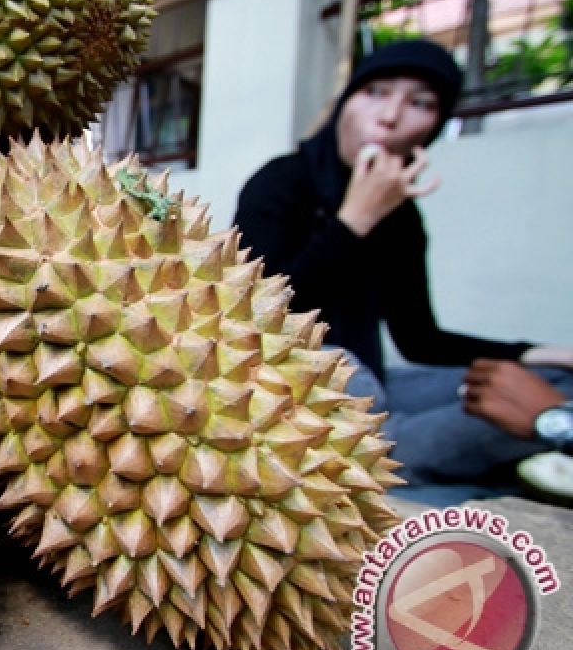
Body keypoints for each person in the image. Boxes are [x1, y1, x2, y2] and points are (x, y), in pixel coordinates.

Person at [232, 38, 573, 490]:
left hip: (376, 387)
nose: (391, 116)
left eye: (420, 103)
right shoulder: (279, 182)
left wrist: (541, 353)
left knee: (553, 383)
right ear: (346, 103)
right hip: (293, 387)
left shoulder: (403, 217)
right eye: (376, 92)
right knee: (346, 367)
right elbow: (251, 312)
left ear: (431, 128)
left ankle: (405, 457)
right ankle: (392, 463)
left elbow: (418, 338)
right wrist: (354, 220)